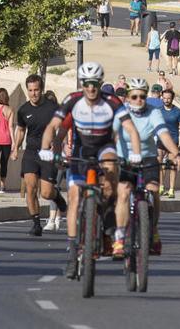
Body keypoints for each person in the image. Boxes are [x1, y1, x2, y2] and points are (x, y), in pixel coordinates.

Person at [38, 62, 142, 278]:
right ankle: (73, 253)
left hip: (104, 148)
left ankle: (108, 219)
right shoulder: (72, 100)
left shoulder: (112, 102)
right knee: (74, 198)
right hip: (81, 151)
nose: (91, 89)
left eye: (95, 84)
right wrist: (45, 149)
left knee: (111, 171)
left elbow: (130, 129)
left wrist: (135, 154)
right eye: (87, 84)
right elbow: (52, 127)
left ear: (100, 83)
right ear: (82, 84)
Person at [112, 78, 180, 258]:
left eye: (142, 96)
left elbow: (163, 133)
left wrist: (176, 154)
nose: (139, 100)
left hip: (148, 158)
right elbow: (111, 135)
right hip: (125, 158)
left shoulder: (154, 112)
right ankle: (120, 238)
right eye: (134, 96)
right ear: (128, 97)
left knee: (153, 191)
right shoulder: (121, 112)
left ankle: (153, 230)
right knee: (123, 193)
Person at [12, 75, 67, 235]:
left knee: (46, 193)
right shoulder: (23, 110)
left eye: (36, 90)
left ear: (41, 89)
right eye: (30, 90)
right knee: (30, 187)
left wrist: (58, 146)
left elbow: (62, 128)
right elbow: (21, 130)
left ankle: (57, 197)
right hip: (31, 152)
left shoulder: (52, 108)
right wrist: (16, 147)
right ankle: (36, 224)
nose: (33, 94)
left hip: (48, 153)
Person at [158, 89, 180, 199]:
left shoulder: (178, 112)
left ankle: (171, 189)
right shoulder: (158, 110)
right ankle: (161, 186)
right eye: (164, 98)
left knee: (171, 165)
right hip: (161, 140)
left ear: (172, 98)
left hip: (173, 141)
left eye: (168, 98)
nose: (166, 100)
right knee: (158, 161)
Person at [0, 88, 15, 194]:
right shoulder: (10, 110)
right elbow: (10, 127)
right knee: (4, 163)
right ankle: (2, 186)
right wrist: (13, 141)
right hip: (6, 140)